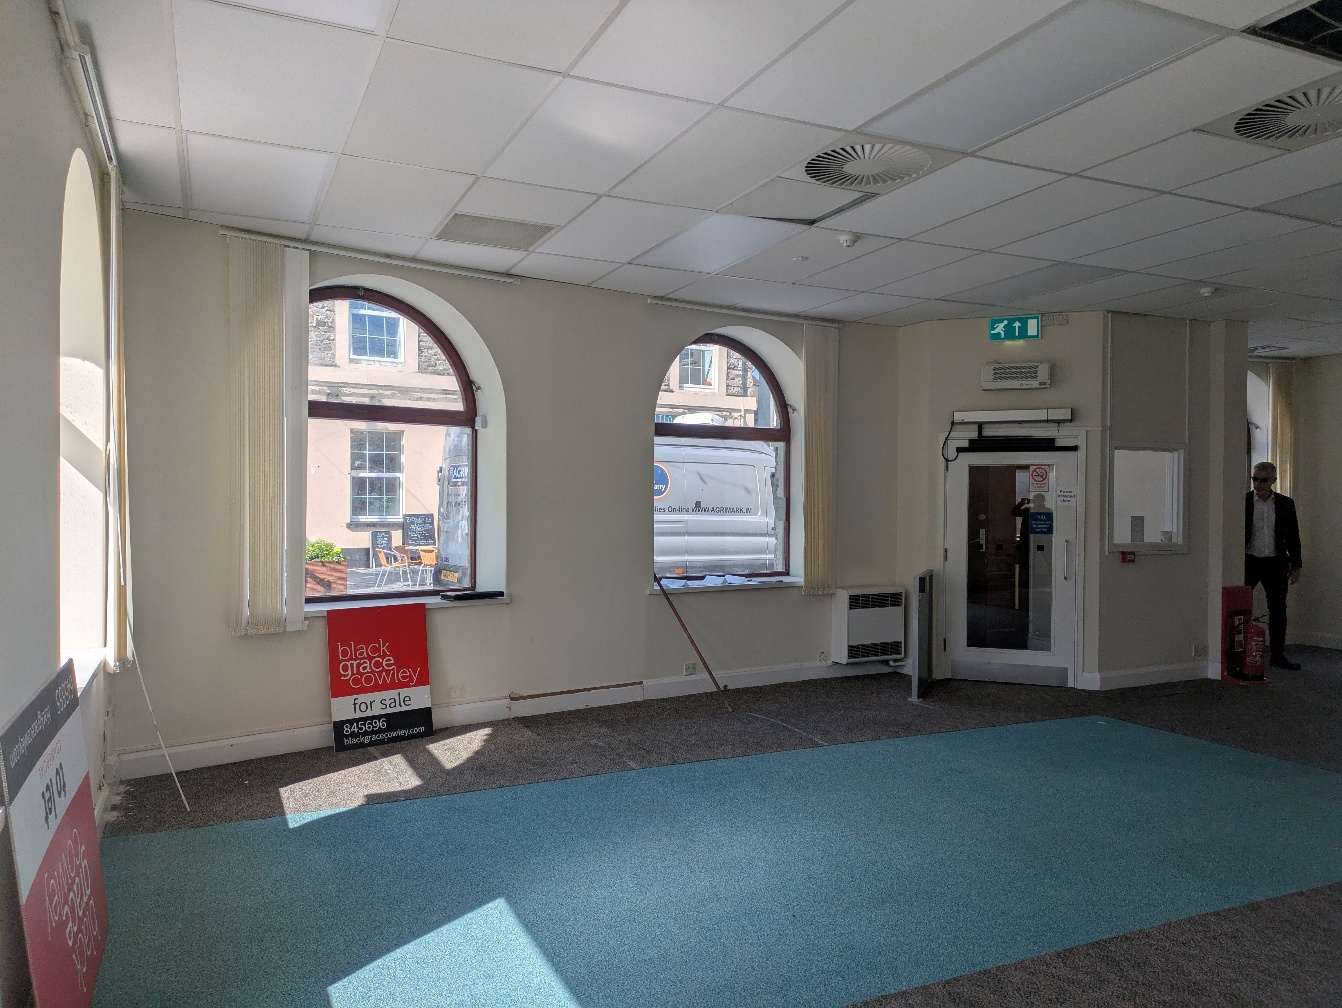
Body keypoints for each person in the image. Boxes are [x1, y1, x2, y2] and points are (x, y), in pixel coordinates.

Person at [1245, 461, 1303, 671]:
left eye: (1263, 480)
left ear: (1273, 481)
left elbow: (1293, 536)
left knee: (1278, 610)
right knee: (1238, 608)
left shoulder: (1286, 503)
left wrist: (1296, 565)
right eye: (1255, 479)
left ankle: (1278, 656)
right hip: (1248, 562)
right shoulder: (1243, 502)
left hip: (1276, 563)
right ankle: (1235, 653)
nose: (1258, 484)